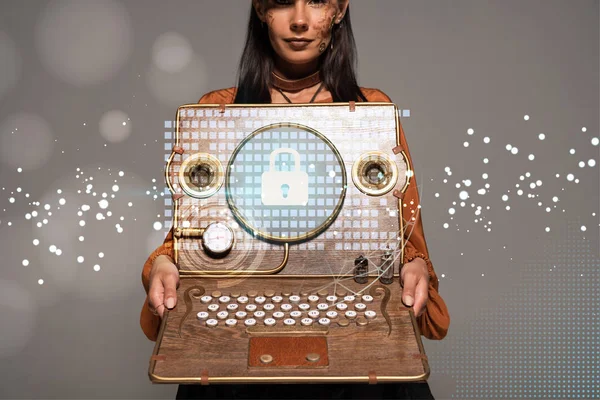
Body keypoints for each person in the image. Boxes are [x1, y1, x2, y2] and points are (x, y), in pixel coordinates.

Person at [141, 1, 450, 398]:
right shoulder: (217, 111)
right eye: (283, 1)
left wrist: (414, 267)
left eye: (317, 1)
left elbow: (406, 240)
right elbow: (195, 235)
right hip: (235, 318)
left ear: (339, 11)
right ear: (260, 10)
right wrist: (166, 260)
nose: (300, 20)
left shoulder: (372, 111)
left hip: (354, 313)